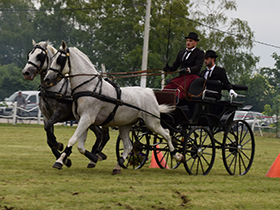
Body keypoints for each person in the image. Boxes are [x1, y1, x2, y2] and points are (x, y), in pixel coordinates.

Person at [163, 32, 204, 100]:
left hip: (192, 76)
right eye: (187, 40)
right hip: (182, 76)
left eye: (190, 41)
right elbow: (175, 67)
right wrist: (168, 68)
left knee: (180, 90)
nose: (188, 42)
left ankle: (175, 103)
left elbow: (198, 66)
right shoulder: (181, 52)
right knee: (167, 88)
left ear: (196, 42)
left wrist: (188, 69)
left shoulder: (199, 52)